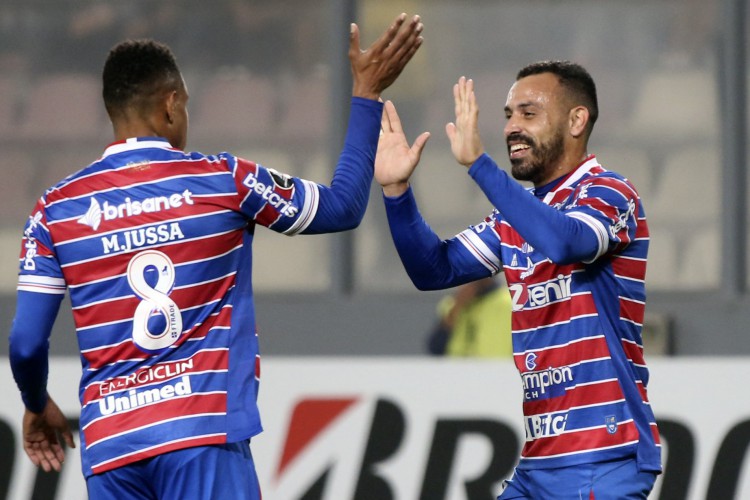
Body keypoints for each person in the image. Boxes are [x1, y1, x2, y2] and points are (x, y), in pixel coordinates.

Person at [9, 13, 423, 500]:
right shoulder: (223, 181)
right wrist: (366, 96)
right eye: (184, 104)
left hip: (112, 450)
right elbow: (343, 207)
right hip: (202, 433)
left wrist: (36, 403)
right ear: (169, 105)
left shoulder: (55, 209)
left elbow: (26, 343)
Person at [375, 61, 661, 498]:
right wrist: (396, 194)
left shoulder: (610, 192)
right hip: (538, 463)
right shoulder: (514, 215)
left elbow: (567, 243)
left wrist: (479, 166)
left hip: (602, 456)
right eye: (509, 115)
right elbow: (433, 270)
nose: (512, 127)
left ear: (577, 120)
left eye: (528, 113)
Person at [427, 276, 513, 357]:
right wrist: (457, 307)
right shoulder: (451, 304)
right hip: (457, 370)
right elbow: (435, 348)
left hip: (498, 370)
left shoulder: (509, 303)